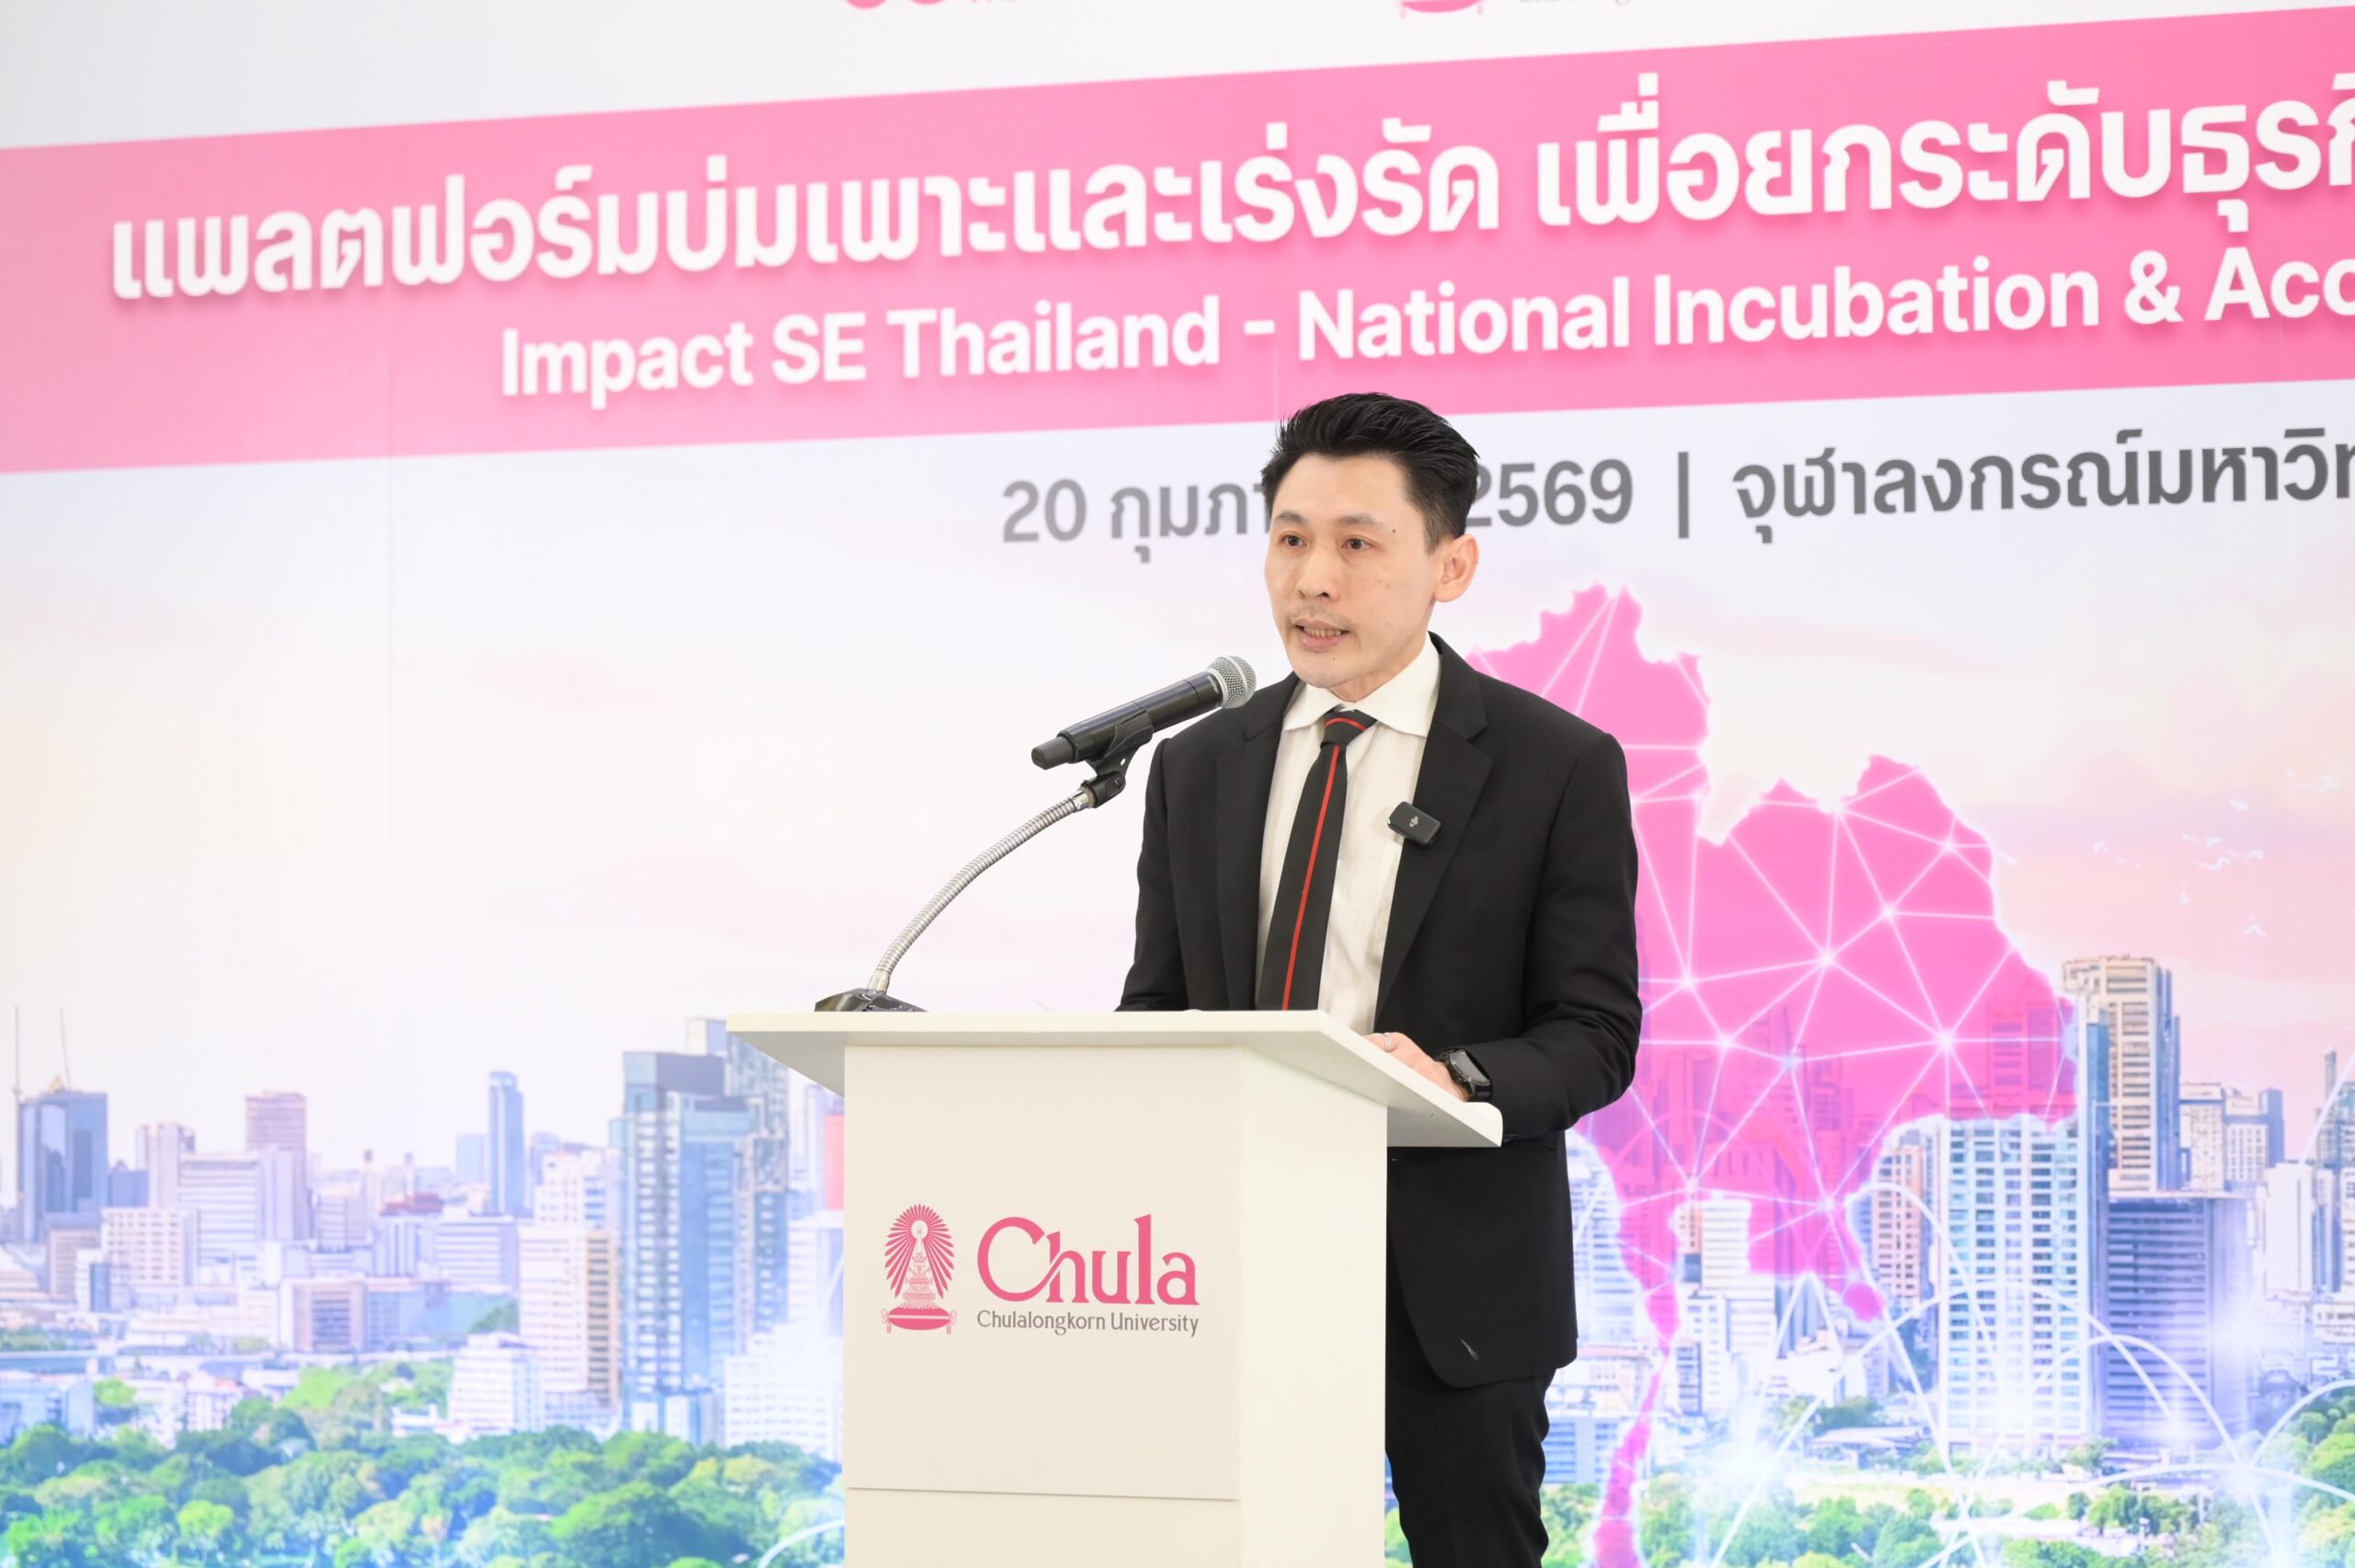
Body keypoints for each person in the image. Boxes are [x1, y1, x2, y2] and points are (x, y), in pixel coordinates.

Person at [1118, 391, 1643, 1567]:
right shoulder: (1197, 764)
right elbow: (1158, 1010)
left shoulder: (1554, 766)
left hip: (1455, 1287)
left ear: (1451, 565)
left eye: (1357, 543)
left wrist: (1456, 1075)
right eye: (1290, 538)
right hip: (1227, 1268)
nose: (1313, 579)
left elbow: (1594, 1031)